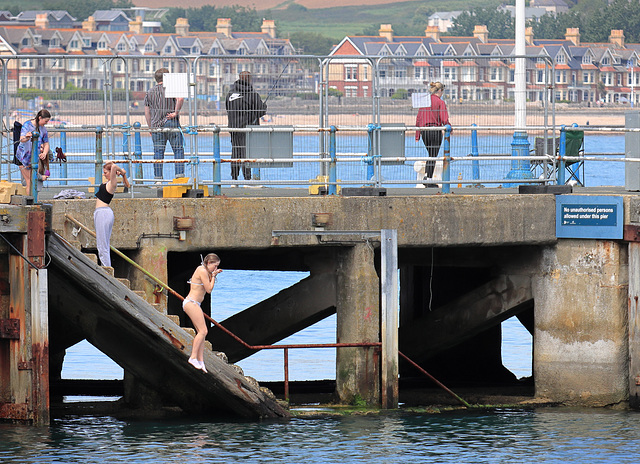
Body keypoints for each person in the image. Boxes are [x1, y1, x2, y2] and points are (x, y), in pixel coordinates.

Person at [225, 71, 267, 184]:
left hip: (234, 128)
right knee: (246, 154)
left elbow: (228, 109)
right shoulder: (253, 95)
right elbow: (261, 111)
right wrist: (264, 106)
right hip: (248, 129)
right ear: (249, 79)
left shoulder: (230, 94)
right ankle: (247, 179)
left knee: (235, 152)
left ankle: (234, 178)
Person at [144, 67, 185, 182]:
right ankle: (179, 177)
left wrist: (150, 128)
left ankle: (158, 179)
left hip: (156, 125)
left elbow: (147, 112)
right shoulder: (171, 88)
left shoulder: (149, 92)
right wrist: (175, 112)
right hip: (171, 122)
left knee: (158, 152)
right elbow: (180, 99)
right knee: (178, 150)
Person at [183, 254, 222, 372]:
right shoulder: (202, 271)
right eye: (214, 266)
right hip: (191, 303)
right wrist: (214, 276)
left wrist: (213, 274)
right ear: (209, 263)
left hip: (195, 304)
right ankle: (193, 357)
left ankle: (200, 361)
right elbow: (209, 289)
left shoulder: (204, 271)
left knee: (202, 332)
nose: (215, 269)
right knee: (203, 331)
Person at [94, 162, 130, 268]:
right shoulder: (108, 183)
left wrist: (122, 172)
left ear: (111, 173)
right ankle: (106, 266)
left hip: (103, 213)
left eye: (105, 172)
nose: (104, 174)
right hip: (101, 213)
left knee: (102, 245)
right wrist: (119, 171)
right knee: (103, 243)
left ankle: (106, 268)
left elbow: (113, 165)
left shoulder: (112, 184)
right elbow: (111, 165)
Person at [415, 82, 450, 188]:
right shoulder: (440, 102)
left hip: (424, 131)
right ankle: (428, 179)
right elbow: (444, 118)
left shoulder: (424, 101)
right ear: (439, 91)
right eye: (442, 91)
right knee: (433, 155)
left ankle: (427, 177)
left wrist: (417, 135)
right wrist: (448, 126)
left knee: (431, 153)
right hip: (435, 130)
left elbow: (419, 118)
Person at [14, 109, 51, 193]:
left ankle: (35, 200)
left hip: (34, 159)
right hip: (23, 157)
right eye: (45, 121)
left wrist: (44, 153)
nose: (46, 123)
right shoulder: (27, 125)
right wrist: (27, 137)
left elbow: (46, 143)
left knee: (34, 182)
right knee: (29, 181)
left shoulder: (43, 129)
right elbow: (21, 139)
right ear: (40, 118)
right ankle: (31, 202)